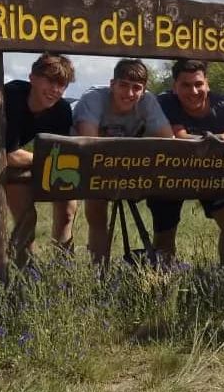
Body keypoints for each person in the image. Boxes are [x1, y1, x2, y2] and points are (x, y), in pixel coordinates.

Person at [0, 53, 76, 267]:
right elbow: (8, 155)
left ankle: (26, 273)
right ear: (32, 77)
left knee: (28, 217)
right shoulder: (10, 98)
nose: (56, 89)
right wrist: (45, 159)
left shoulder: (61, 110)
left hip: (10, 153)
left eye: (62, 84)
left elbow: (61, 153)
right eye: (50, 81)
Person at [73, 58, 173, 264]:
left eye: (136, 88)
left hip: (119, 156)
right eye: (123, 86)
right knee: (94, 212)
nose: (129, 94)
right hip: (80, 156)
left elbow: (168, 141)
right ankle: (96, 272)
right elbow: (89, 144)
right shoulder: (93, 99)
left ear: (143, 90)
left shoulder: (148, 102)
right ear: (112, 84)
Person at [152, 59, 224, 262]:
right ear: (174, 87)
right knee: (163, 237)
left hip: (212, 172)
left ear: (207, 84)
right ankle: (162, 284)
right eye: (185, 85)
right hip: (171, 174)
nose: (193, 91)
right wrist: (220, 138)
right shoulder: (165, 103)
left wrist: (202, 140)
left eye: (198, 84)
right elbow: (179, 138)